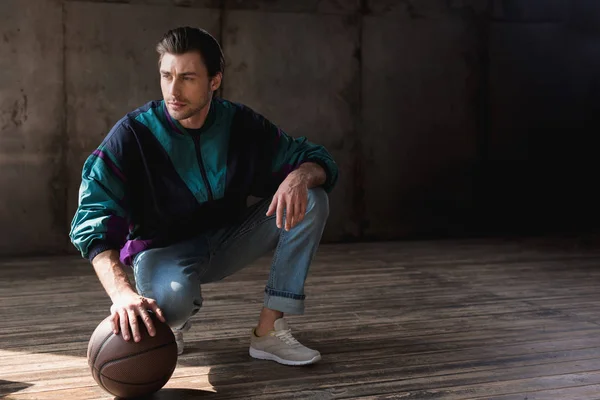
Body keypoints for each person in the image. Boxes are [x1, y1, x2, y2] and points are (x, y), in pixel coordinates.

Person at [69, 26, 338, 366]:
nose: (174, 90)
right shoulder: (133, 135)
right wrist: (123, 295)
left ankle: (269, 332)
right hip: (161, 252)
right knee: (171, 305)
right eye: (167, 76)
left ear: (214, 81)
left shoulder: (239, 124)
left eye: (188, 78)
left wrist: (300, 175)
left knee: (313, 197)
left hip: (228, 240)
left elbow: (314, 156)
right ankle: (173, 321)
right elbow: (92, 217)